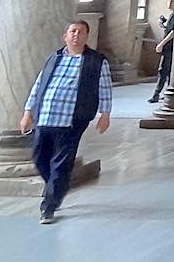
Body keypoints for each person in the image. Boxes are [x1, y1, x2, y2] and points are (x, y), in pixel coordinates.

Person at [18, 20, 112, 224]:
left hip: (72, 120)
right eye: (73, 31)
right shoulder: (54, 58)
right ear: (65, 36)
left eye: (81, 32)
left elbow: (104, 88)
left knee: (61, 162)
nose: (76, 35)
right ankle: (57, 186)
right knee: (39, 157)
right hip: (45, 116)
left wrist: (105, 114)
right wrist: (28, 112)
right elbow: (38, 85)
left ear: (87, 37)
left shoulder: (96, 61)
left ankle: (49, 205)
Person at [149, 0, 174, 103]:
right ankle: (164, 93)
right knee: (167, 72)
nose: (169, 3)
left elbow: (173, 32)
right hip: (168, 48)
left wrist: (161, 44)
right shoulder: (172, 15)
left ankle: (157, 94)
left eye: (171, 2)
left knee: (163, 71)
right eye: (168, 1)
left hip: (169, 48)